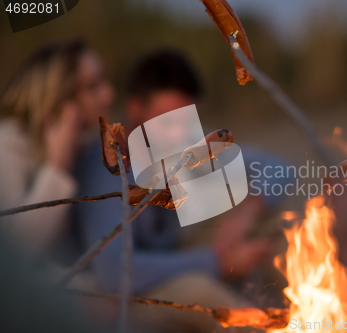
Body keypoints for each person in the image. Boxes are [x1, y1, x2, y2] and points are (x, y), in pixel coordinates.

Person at [74, 50, 289, 332]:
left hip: (180, 259)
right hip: (121, 296)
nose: (179, 135)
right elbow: (114, 270)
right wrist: (216, 261)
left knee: (276, 227)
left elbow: (280, 168)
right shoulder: (107, 164)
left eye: (187, 121)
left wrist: (247, 212)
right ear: (135, 108)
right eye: (167, 120)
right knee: (203, 294)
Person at [0, 40, 114, 258]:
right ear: (60, 99)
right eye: (93, 87)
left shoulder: (88, 147)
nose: (109, 94)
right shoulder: (8, 144)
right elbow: (15, 252)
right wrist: (57, 165)